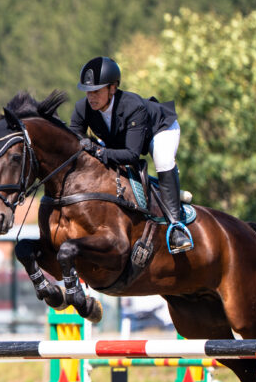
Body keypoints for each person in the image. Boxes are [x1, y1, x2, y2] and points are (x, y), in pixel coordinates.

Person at [69, 56, 193, 254]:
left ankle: (177, 228)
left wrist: (98, 150)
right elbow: (73, 139)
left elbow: (132, 156)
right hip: (123, 140)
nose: (91, 97)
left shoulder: (132, 106)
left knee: (162, 160)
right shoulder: (82, 108)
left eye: (96, 91)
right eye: (88, 91)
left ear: (112, 88)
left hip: (160, 129)